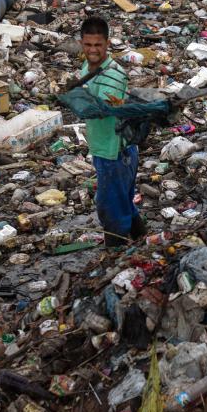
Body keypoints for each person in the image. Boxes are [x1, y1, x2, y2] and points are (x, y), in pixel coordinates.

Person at [79, 16, 144, 248]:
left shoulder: (114, 74)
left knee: (110, 208)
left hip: (116, 152)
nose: (93, 50)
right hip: (103, 147)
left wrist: (75, 101)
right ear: (81, 44)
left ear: (107, 44)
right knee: (124, 202)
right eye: (88, 45)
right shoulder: (86, 67)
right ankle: (142, 240)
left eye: (98, 45)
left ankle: (114, 255)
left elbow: (102, 109)